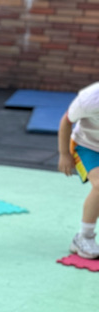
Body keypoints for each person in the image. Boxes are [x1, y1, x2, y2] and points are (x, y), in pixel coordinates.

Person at [58, 83, 99, 258]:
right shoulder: (90, 99)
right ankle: (84, 237)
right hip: (87, 146)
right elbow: (66, 121)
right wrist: (64, 154)